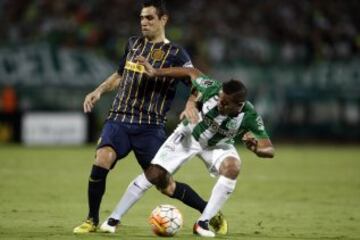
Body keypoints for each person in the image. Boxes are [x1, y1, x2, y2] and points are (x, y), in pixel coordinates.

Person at [73, 0, 226, 234]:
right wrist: (98, 91)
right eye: (142, 18)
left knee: (164, 184)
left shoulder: (176, 53)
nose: (144, 22)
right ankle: (92, 219)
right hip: (119, 119)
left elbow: (198, 81)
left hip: (151, 127)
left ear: (163, 20)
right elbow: (119, 75)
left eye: (149, 18)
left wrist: (190, 103)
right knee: (103, 157)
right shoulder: (133, 44)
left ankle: (209, 213)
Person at [104, 56, 275, 237]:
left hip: (218, 145)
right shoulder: (212, 88)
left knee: (233, 167)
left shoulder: (250, 116)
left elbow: (269, 149)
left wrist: (257, 149)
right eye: (220, 99)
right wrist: (156, 73)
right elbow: (190, 72)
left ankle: (202, 223)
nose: (220, 103)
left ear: (239, 105)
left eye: (225, 103)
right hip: (189, 135)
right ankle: (113, 219)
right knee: (155, 174)